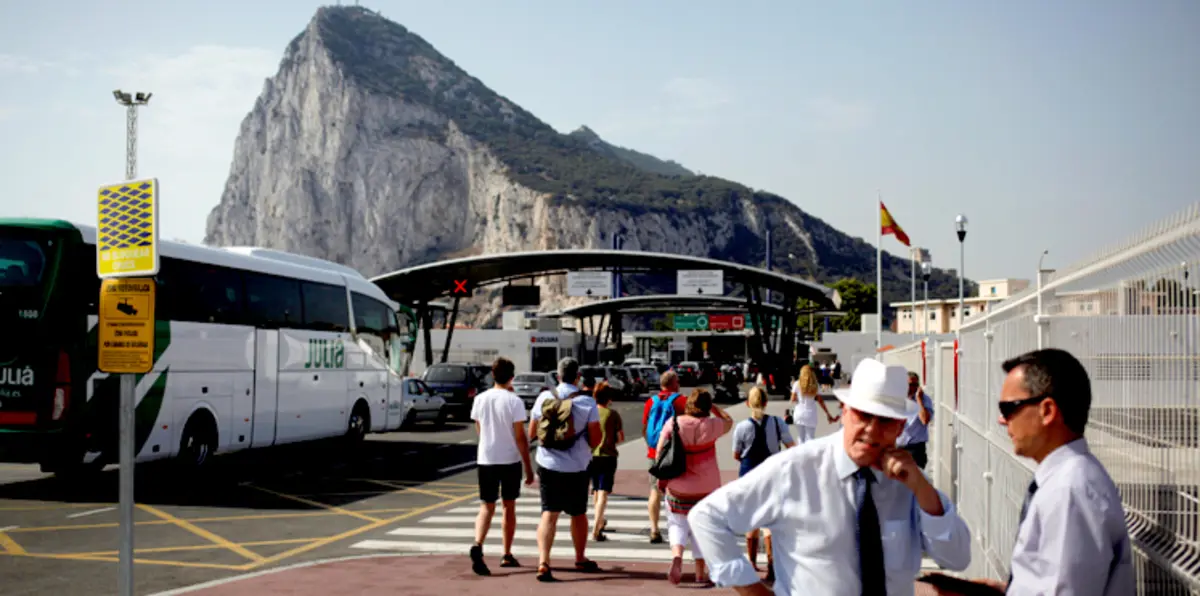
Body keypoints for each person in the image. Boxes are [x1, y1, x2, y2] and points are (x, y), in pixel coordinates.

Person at [687, 357, 971, 596]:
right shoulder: (796, 469)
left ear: (900, 427)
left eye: (885, 420)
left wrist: (922, 490)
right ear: (844, 411)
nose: (872, 430)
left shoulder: (909, 482)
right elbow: (707, 517)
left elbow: (957, 557)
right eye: (863, 415)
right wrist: (755, 591)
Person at [937, 348, 1134, 595]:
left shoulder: (1069, 491)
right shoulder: (1067, 480)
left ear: (1047, 411)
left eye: (1009, 408)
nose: (1001, 419)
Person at [528, 357, 603, 582]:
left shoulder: (544, 397)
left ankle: (543, 562)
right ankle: (580, 558)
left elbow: (532, 432)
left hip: (548, 464)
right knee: (578, 514)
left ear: (558, 376)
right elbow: (596, 438)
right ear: (577, 377)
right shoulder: (587, 403)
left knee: (549, 512)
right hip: (577, 466)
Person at [655, 388, 734, 585]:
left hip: (679, 486)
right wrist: (714, 408)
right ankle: (700, 573)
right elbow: (729, 421)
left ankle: (677, 556)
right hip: (707, 488)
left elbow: (659, 454)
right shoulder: (713, 425)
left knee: (677, 523)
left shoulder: (674, 423)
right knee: (701, 527)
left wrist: (662, 481)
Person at [468, 356, 535, 576]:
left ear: (492, 376)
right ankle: (506, 553)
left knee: (486, 506)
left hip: (486, 458)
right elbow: (520, 438)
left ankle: (478, 544)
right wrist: (528, 467)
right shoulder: (514, 401)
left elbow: (479, 429)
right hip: (509, 460)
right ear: (512, 377)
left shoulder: (480, 399)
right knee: (509, 506)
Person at [731, 386, 795, 582]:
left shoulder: (742, 427)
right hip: (771, 475)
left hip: (749, 476)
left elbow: (736, 454)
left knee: (751, 520)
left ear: (748, 403)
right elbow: (791, 446)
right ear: (766, 402)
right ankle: (772, 564)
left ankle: (750, 563)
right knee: (769, 523)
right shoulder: (777, 423)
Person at [642, 370, 688, 544]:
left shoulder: (650, 402)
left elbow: (645, 427)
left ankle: (654, 529)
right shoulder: (680, 401)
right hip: (674, 452)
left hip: (654, 453)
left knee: (655, 490)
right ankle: (678, 530)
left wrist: (652, 446)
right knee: (676, 491)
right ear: (674, 383)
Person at [588, 381, 624, 542]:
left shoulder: (590, 412)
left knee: (595, 489)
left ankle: (600, 520)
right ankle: (596, 528)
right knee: (603, 491)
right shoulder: (613, 414)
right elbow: (620, 437)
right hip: (608, 456)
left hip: (591, 455)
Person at [896, 371, 934, 469]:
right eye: (909, 385)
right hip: (897, 448)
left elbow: (925, 420)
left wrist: (919, 400)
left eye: (915, 385)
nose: (912, 388)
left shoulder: (924, 400)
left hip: (915, 450)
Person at [791, 364, 837, 443]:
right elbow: (820, 401)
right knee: (810, 439)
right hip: (810, 414)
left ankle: (801, 454)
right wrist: (828, 414)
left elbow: (792, 399)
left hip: (799, 413)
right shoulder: (815, 385)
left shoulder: (796, 384)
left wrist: (799, 399)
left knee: (800, 438)